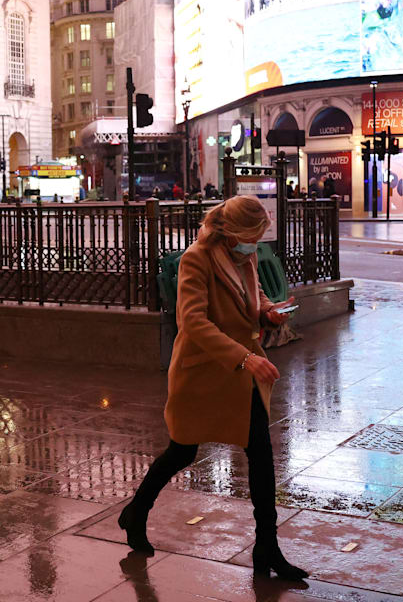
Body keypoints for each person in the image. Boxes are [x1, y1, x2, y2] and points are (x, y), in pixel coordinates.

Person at [119, 196, 308, 581]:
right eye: (252, 237)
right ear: (232, 232)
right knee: (181, 453)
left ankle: (266, 548)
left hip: (241, 373)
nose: (255, 245)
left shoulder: (245, 257)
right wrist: (245, 357)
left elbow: (251, 298)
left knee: (261, 456)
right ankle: (136, 511)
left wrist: (269, 311)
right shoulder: (197, 258)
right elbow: (193, 321)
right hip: (205, 372)